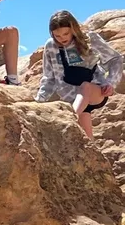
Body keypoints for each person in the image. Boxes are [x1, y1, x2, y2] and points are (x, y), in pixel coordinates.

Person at [36, 10, 123, 139]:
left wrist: (111, 82)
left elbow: (115, 59)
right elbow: (49, 77)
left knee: (85, 86)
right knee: (87, 140)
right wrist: (39, 101)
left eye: (66, 33)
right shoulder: (51, 46)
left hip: (96, 90)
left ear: (73, 29)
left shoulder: (89, 38)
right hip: (71, 97)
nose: (62, 38)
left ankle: (70, 120)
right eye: (57, 36)